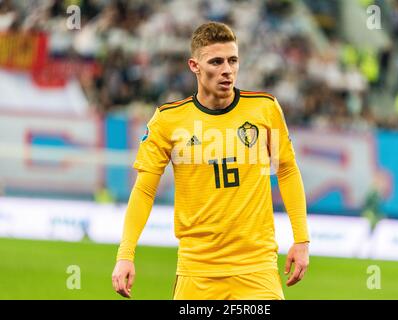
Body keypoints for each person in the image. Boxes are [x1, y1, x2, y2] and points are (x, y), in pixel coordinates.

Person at [112, 21, 310, 300]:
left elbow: (287, 170)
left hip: (257, 269)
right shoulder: (168, 120)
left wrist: (301, 239)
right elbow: (144, 190)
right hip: (197, 272)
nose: (227, 70)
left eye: (233, 60)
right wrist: (126, 254)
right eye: (216, 62)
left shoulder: (264, 109)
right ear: (194, 65)